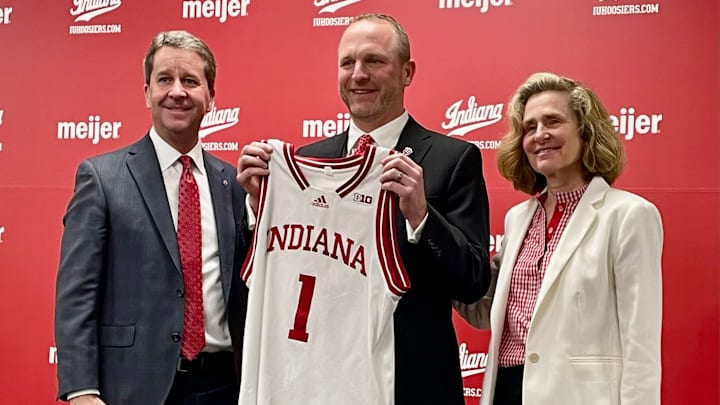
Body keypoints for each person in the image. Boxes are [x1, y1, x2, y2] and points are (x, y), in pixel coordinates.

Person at [237, 13, 491, 405]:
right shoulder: (308, 161)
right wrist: (261, 207)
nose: (359, 74)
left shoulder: (451, 158)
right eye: (347, 63)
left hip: (414, 385)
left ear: (407, 72)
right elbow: (276, 279)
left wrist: (422, 216)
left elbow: (473, 282)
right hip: (320, 383)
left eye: (374, 61)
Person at [54, 30, 249, 405]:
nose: (177, 91)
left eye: (191, 81)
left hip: (225, 386)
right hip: (133, 388)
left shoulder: (233, 184)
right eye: (164, 79)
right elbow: (77, 294)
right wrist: (81, 390)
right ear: (147, 93)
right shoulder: (102, 178)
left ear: (211, 98)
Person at [455, 72, 663, 405]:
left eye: (553, 121)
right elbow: (486, 311)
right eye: (529, 127)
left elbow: (641, 343)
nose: (540, 135)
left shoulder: (629, 216)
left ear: (585, 131)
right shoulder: (517, 219)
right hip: (507, 390)